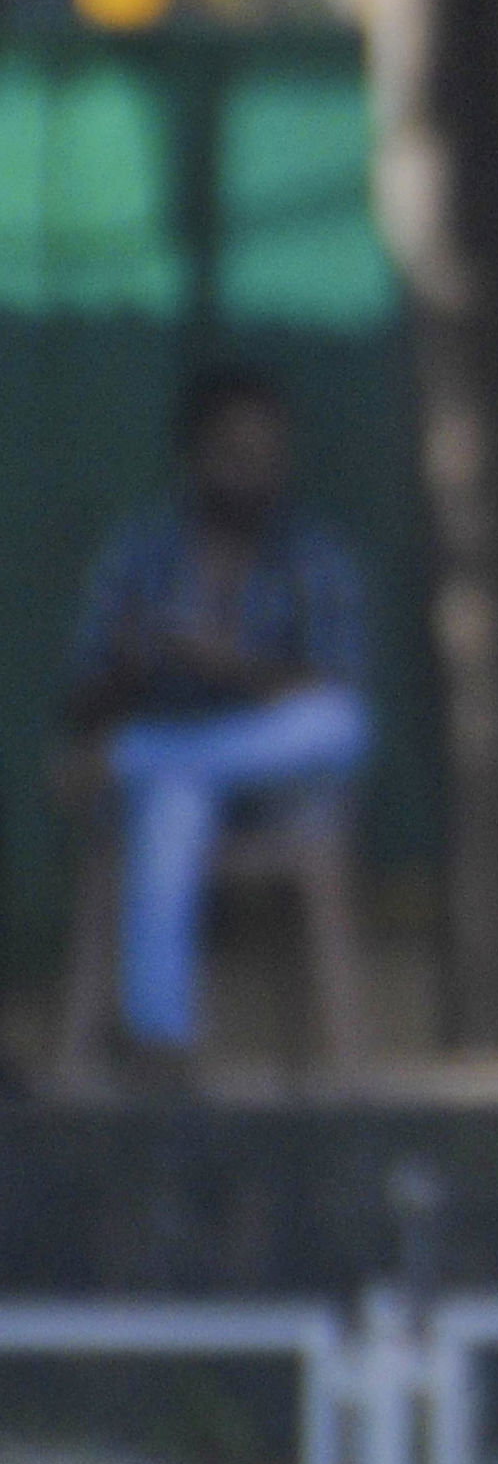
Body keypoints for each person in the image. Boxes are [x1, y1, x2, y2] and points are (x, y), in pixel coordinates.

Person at [60, 364, 369, 1079]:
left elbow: (332, 687)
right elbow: (78, 698)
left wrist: (228, 668)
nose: (251, 473)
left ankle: (137, 755)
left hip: (278, 781)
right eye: (233, 453)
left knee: (340, 722)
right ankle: (161, 1043)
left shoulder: (310, 552)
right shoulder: (142, 553)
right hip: (174, 778)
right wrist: (136, 667)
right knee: (171, 803)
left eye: (267, 455)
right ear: (193, 455)